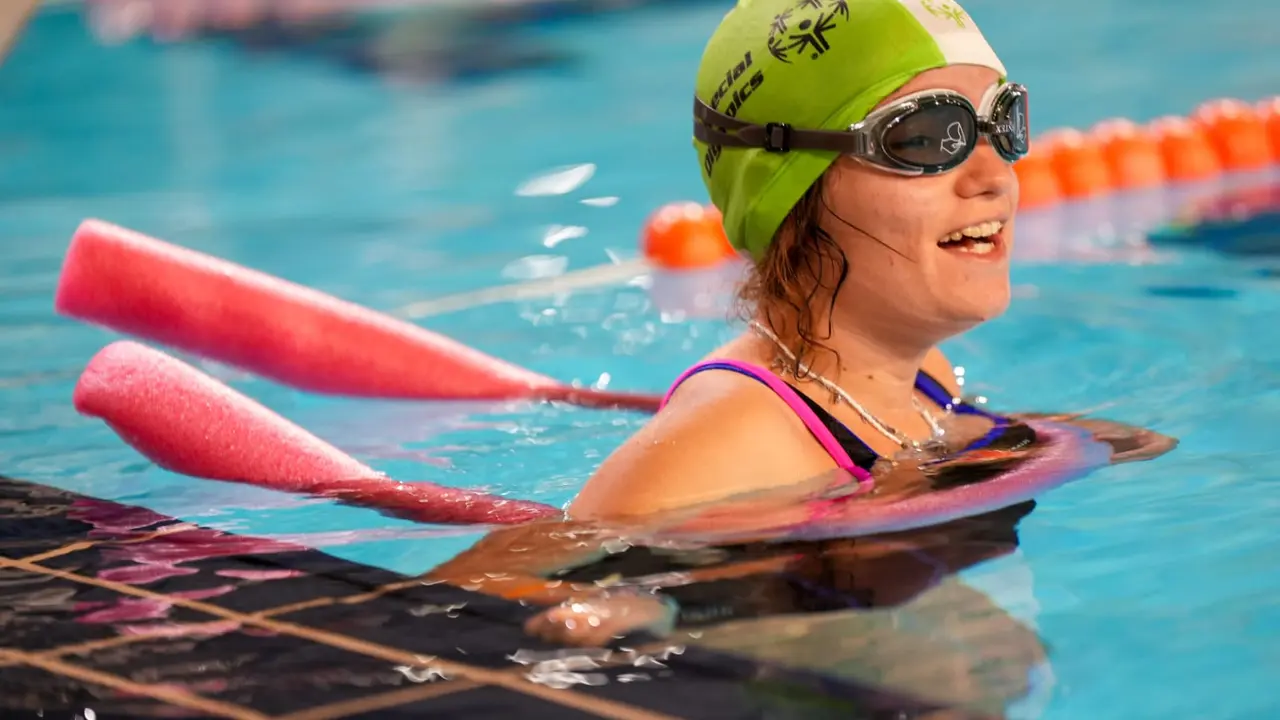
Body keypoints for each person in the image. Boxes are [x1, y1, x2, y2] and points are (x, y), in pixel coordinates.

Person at [426, 0, 1177, 710]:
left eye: (1001, 124)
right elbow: (466, 592)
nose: (992, 177)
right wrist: (597, 603)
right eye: (924, 139)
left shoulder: (920, 379)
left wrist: (1044, 441)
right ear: (788, 191)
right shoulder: (734, 437)